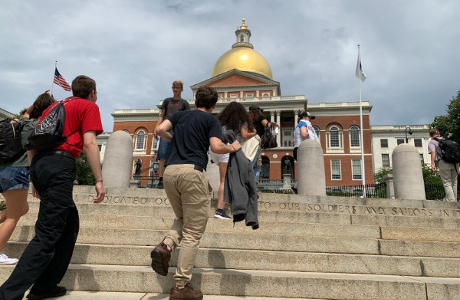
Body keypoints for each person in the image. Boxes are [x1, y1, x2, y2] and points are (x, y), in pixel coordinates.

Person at [0, 75, 106, 300]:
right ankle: (8, 294)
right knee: (47, 235)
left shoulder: (55, 106)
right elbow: (89, 143)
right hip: (60, 165)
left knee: (69, 225)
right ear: (92, 92)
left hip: (40, 164)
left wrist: (35, 179)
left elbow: (33, 143)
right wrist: (99, 180)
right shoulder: (88, 106)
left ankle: (45, 285)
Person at [150, 86, 241, 300]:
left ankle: (166, 245)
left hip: (170, 172)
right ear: (213, 104)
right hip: (191, 172)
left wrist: (175, 142)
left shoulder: (181, 114)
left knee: (183, 218)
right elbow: (217, 147)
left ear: (196, 100)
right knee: (192, 232)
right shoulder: (211, 121)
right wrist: (233, 147)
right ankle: (181, 287)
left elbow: (159, 130)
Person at [0, 92, 54, 265]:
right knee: (13, 217)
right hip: (17, 171)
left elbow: (26, 113)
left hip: (3, 170)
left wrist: (36, 103)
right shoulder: (37, 126)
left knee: (23, 209)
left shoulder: (19, 121)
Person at [209, 102, 256, 219]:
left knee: (224, 179)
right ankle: (220, 210)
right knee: (224, 181)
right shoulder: (241, 121)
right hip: (228, 148)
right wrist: (254, 133)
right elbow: (244, 135)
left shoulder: (221, 121)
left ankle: (227, 203)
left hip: (214, 149)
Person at [153, 80, 190, 189]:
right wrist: (157, 127)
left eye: (177, 87)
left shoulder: (184, 103)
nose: (175, 89)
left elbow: (187, 118)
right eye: (174, 87)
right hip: (165, 129)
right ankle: (160, 180)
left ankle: (174, 180)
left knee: (175, 154)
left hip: (177, 130)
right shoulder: (167, 101)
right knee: (162, 154)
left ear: (181, 89)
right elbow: (161, 115)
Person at [248, 105, 278, 184]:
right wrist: (273, 124)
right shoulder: (260, 117)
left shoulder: (246, 119)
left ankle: (250, 186)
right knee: (255, 165)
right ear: (258, 110)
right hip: (256, 142)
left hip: (246, 142)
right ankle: (252, 186)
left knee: (253, 163)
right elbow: (267, 124)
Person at [428, 128, 459, 202]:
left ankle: (451, 201)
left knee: (447, 182)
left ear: (430, 135)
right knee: (454, 182)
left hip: (444, 162)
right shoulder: (446, 140)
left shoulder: (432, 142)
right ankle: (455, 199)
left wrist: (432, 164)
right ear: (438, 134)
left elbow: (433, 151)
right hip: (455, 162)